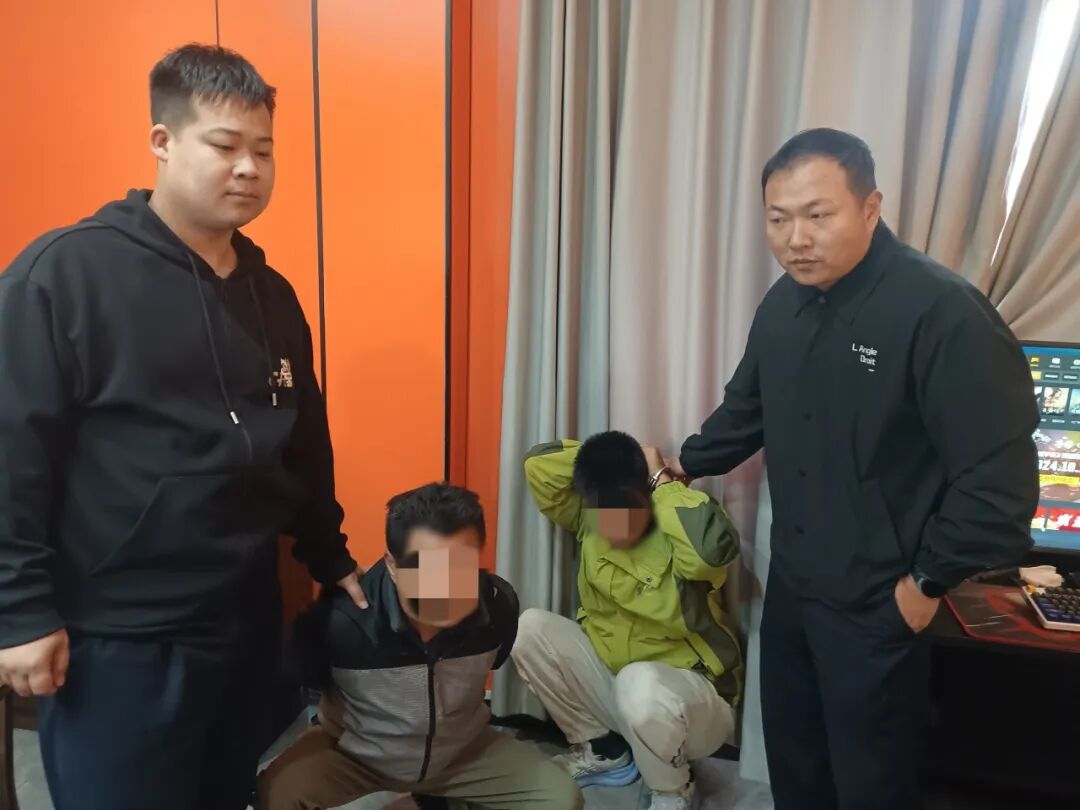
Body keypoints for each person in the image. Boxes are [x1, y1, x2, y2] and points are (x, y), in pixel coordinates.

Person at [0, 44, 365, 810]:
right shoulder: (64, 276)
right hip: (117, 636)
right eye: (225, 146)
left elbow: (304, 443)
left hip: (242, 623)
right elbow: (12, 456)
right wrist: (19, 609)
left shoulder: (272, 295)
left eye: (263, 150)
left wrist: (329, 553)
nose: (249, 169)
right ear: (162, 142)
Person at [668, 128, 1039, 809]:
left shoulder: (943, 312)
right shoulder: (783, 303)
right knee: (796, 760)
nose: (796, 239)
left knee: (871, 781)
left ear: (871, 208)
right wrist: (683, 466)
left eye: (818, 215)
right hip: (793, 584)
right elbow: (747, 408)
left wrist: (926, 584)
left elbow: (999, 479)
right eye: (779, 219)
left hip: (880, 598)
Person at [258, 483, 583, 810]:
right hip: (357, 758)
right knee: (278, 794)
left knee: (560, 799)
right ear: (392, 565)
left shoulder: (497, 608)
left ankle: (440, 798)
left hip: (460, 754)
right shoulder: (342, 622)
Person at [513, 431, 743, 810]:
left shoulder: (678, 522)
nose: (614, 524)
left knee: (639, 684)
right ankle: (607, 752)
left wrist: (661, 480)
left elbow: (710, 554)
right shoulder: (589, 517)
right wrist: (615, 459)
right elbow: (538, 465)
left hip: (690, 704)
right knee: (529, 628)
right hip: (619, 688)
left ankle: (672, 792)